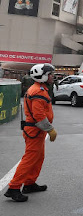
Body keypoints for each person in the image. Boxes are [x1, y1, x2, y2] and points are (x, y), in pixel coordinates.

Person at [4, 64, 58, 202]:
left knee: (38, 158)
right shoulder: (38, 92)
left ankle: (29, 183)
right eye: (50, 74)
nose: (53, 76)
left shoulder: (40, 89)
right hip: (35, 130)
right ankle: (14, 188)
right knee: (29, 159)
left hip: (36, 130)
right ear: (43, 76)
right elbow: (38, 115)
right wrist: (50, 130)